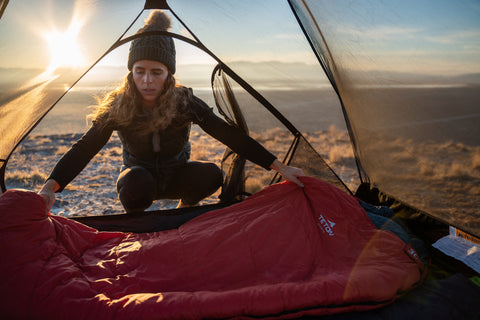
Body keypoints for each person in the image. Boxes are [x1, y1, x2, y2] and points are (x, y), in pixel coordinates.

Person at [38, 10, 305, 213]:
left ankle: (184, 206)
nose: (147, 81)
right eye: (139, 72)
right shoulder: (120, 104)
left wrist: (279, 167)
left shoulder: (184, 101)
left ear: (169, 75)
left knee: (212, 174)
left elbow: (227, 134)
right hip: (139, 180)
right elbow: (86, 146)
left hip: (177, 174)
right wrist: (50, 186)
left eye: (156, 72)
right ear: (131, 72)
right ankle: (139, 222)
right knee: (136, 184)